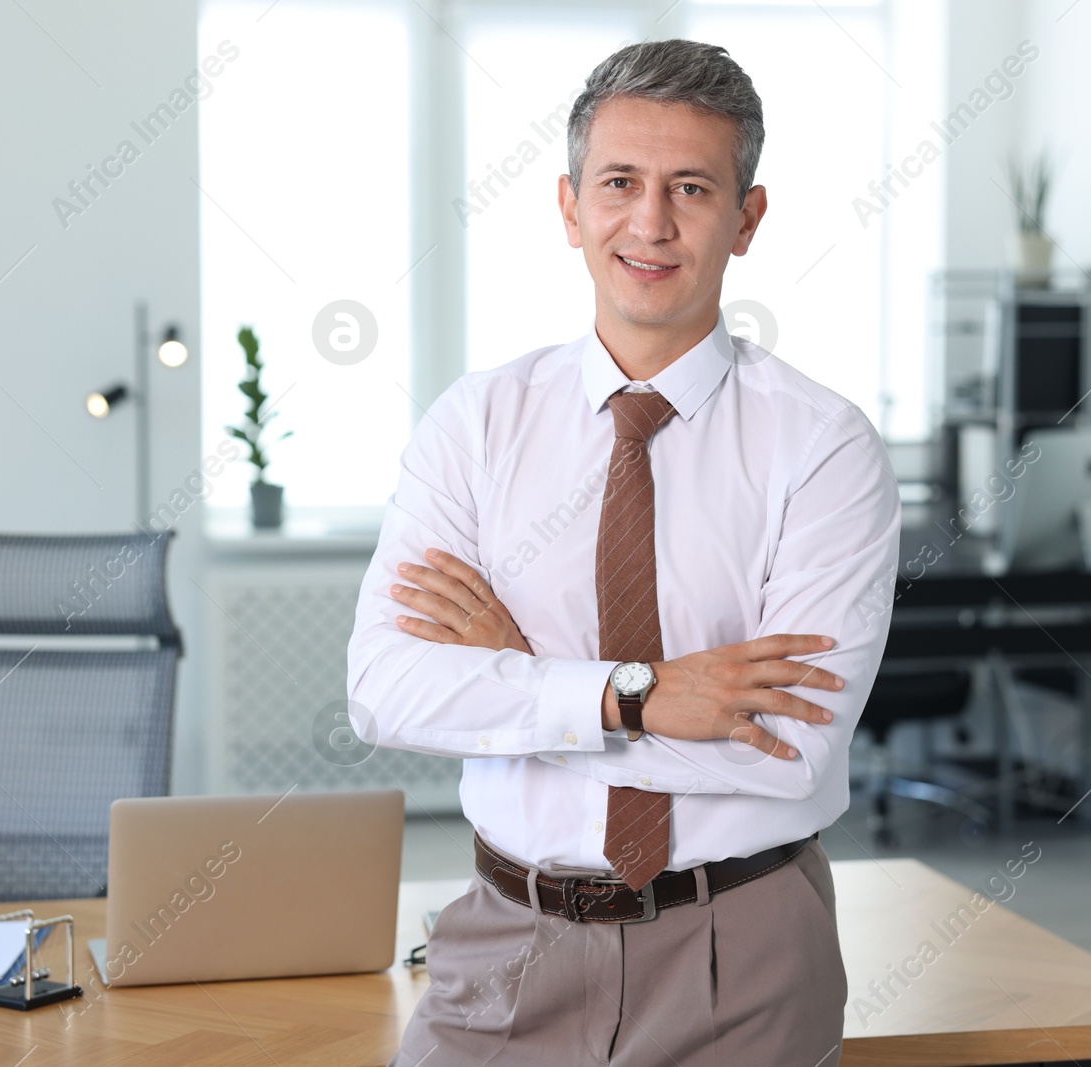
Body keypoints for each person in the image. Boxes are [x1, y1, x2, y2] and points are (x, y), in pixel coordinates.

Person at [347, 37, 900, 1067]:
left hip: (741, 949)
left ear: (747, 218)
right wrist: (633, 695)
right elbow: (386, 689)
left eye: (691, 187)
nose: (649, 222)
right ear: (568, 205)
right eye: (620, 183)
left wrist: (516, 679)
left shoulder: (823, 446)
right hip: (505, 940)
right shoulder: (476, 423)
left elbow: (782, 752)